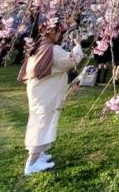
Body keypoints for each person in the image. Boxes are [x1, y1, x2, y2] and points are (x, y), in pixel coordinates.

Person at [18, 22, 83, 176]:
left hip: (39, 90)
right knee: (42, 121)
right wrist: (78, 45)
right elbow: (71, 60)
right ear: (51, 33)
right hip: (45, 91)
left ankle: (39, 155)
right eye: (58, 32)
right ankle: (32, 163)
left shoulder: (39, 46)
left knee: (40, 119)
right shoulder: (52, 49)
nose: (60, 35)